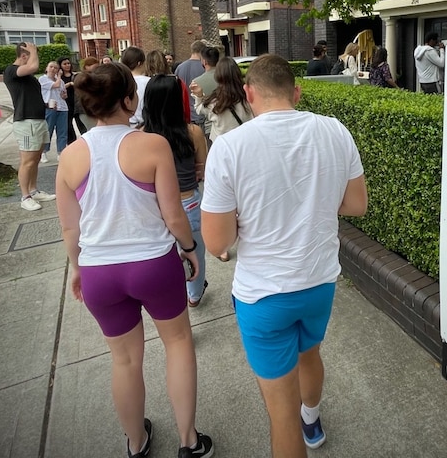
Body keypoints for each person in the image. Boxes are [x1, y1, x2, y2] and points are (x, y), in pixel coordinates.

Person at [201, 54, 368, 458]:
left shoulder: (229, 147)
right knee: (310, 353)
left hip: (263, 295)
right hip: (319, 282)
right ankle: (312, 417)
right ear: (296, 91)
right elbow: (356, 204)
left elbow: (217, 242)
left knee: (280, 418)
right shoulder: (335, 131)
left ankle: (301, 422)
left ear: (249, 93)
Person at [55, 62, 214, 458]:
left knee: (124, 361)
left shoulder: (71, 156)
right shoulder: (152, 145)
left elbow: (70, 230)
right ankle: (189, 442)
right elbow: (174, 215)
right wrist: (190, 251)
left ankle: (136, 443)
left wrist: (77, 268)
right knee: (177, 344)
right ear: (129, 100)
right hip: (153, 264)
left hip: (98, 273)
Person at [142, 75, 209, 307]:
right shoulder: (192, 133)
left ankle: (172, 295)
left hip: (156, 206)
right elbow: (202, 168)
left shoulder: (141, 136)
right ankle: (194, 294)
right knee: (195, 253)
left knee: (163, 255)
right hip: (188, 202)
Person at [3, 42, 57, 211]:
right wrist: (33, 50)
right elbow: (33, 66)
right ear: (24, 56)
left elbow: (31, 96)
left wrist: (47, 105)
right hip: (26, 122)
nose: (35, 59)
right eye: (32, 55)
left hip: (38, 120)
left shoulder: (28, 78)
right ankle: (25, 196)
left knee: (35, 159)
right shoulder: (11, 71)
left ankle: (34, 190)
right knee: (27, 161)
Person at [192, 56, 253, 144]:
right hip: (245, 144)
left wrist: (199, 96)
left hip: (222, 147)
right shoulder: (248, 97)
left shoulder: (214, 102)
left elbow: (199, 109)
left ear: (218, 76)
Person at [39, 61, 69, 163]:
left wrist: (64, 95)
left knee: (62, 132)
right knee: (48, 130)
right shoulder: (43, 79)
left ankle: (61, 152)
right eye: (51, 67)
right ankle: (43, 152)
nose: (53, 69)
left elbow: (64, 94)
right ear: (47, 68)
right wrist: (60, 77)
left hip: (62, 108)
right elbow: (55, 85)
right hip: (50, 107)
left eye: (55, 68)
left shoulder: (61, 81)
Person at [174, 40, 207, 125]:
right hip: (200, 113)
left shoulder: (180, 67)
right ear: (202, 52)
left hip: (184, 113)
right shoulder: (204, 67)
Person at [120, 46, 150, 128]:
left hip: (123, 125)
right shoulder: (148, 82)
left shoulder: (119, 82)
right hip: (144, 126)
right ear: (139, 63)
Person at [58, 56, 85, 141]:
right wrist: (69, 84)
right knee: (68, 125)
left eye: (68, 63)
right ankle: (72, 142)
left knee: (81, 123)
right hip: (66, 102)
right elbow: (58, 88)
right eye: (64, 64)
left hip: (76, 102)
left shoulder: (75, 75)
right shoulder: (59, 78)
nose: (67, 65)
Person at [76, 56, 99, 131]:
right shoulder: (82, 78)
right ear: (87, 66)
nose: (97, 69)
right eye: (95, 67)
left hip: (92, 109)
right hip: (85, 110)